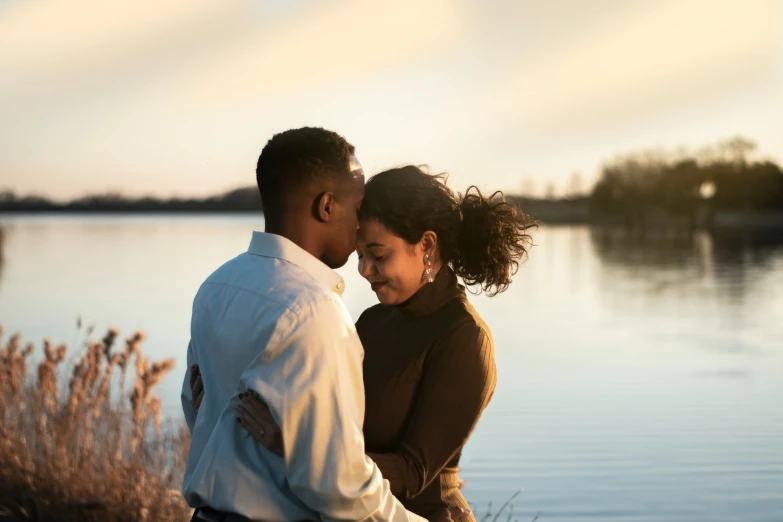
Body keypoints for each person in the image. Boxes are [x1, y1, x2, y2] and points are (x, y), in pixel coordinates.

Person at [192, 165, 535, 521]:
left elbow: (412, 472)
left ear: (428, 246)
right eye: (360, 255)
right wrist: (219, 399)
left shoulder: (465, 339)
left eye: (379, 255)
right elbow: (323, 417)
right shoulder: (372, 320)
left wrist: (294, 448)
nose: (363, 270)